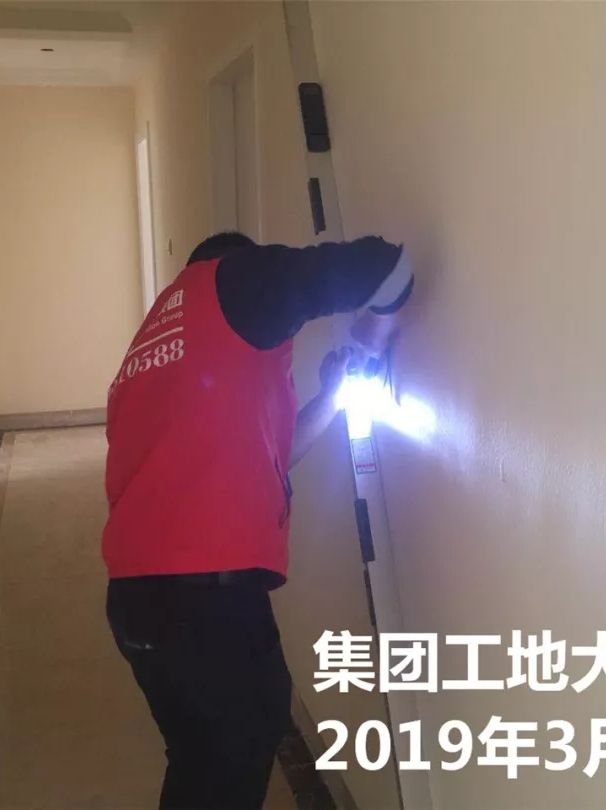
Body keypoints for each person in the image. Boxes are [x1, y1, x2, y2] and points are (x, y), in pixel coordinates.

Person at [101, 230, 413, 810]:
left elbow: (267, 454)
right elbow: (387, 267)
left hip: (138, 606)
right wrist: (374, 333)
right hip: (206, 608)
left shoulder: (159, 343)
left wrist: (332, 396)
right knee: (235, 758)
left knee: (199, 761)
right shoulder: (235, 285)